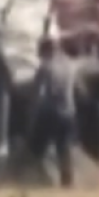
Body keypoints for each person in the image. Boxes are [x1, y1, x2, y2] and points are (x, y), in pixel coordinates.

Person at [30, 36, 80, 186]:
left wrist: (33, 113)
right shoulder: (69, 65)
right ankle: (67, 183)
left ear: (45, 50)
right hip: (69, 112)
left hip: (51, 112)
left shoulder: (45, 67)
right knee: (64, 149)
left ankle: (36, 180)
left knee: (35, 149)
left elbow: (37, 92)